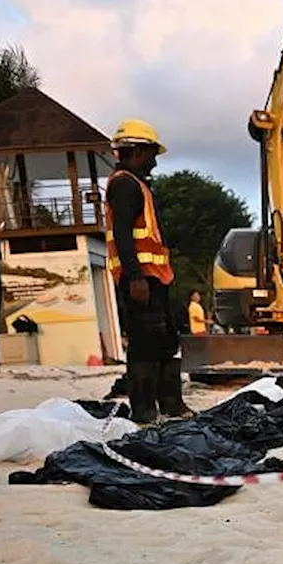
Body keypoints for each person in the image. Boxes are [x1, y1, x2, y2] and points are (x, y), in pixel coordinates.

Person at [103, 118, 193, 424]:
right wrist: (135, 276)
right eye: (152, 153)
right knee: (145, 346)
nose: (154, 161)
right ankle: (144, 410)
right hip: (141, 279)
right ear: (137, 152)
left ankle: (172, 405)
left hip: (155, 277)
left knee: (166, 340)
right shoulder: (125, 185)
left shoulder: (137, 184)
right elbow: (124, 234)